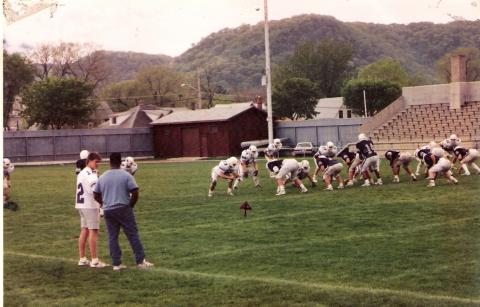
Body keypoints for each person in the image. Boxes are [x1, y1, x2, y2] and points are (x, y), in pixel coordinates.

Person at [93, 152, 153, 270]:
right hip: (123, 208)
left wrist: (104, 203)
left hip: (108, 210)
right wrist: (130, 205)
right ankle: (140, 261)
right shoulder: (126, 175)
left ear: (109, 162)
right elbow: (135, 192)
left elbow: (95, 194)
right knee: (132, 235)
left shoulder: (103, 176)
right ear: (120, 162)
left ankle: (116, 264)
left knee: (112, 237)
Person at [75, 152, 107, 268]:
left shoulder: (82, 172)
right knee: (93, 231)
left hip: (81, 205)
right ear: (90, 160)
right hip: (90, 205)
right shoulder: (91, 174)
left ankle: (82, 258)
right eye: (96, 162)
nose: (98, 165)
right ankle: (95, 261)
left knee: (84, 230)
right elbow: (95, 190)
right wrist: (102, 203)